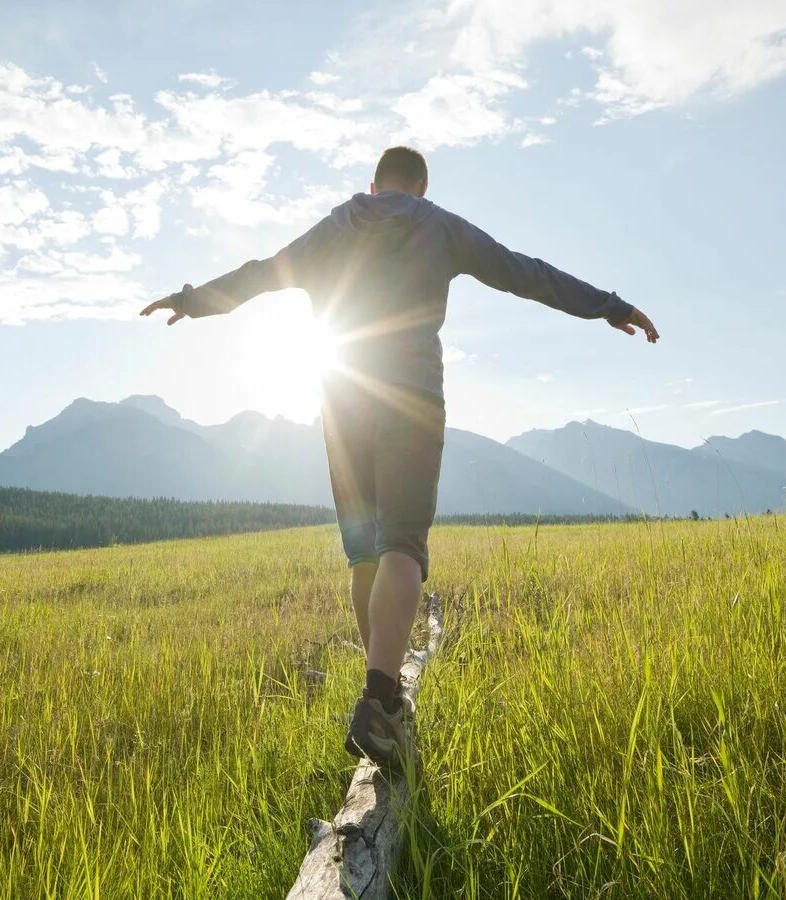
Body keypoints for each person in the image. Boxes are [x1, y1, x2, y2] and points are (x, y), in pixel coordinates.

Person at [141, 146, 659, 767]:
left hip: (342, 400)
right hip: (410, 398)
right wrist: (609, 306)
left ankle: (381, 699)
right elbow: (526, 273)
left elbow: (260, 273)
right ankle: (381, 698)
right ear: (419, 186)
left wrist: (191, 300)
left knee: (364, 550)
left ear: (374, 183)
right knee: (404, 544)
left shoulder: (336, 225)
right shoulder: (438, 224)